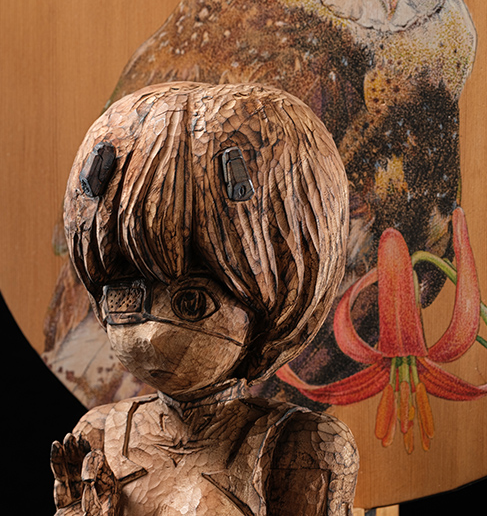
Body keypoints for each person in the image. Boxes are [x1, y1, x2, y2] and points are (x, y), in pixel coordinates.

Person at [52, 82, 357, 516]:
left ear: (277, 302)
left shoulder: (299, 448)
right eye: (125, 296)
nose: (151, 334)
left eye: (192, 303)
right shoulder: (99, 435)